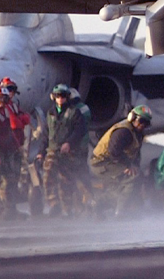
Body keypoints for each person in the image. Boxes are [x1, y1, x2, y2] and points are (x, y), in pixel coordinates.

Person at [90, 105, 151, 217]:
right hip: (101, 162)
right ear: (132, 117)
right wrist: (127, 165)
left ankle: (99, 204)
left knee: (134, 178)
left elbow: (136, 153)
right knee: (132, 178)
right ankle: (121, 212)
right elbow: (114, 151)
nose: (143, 125)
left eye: (146, 123)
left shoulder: (137, 133)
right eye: (141, 121)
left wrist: (135, 166)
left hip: (115, 162)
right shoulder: (123, 132)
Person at [39, 84, 89, 218]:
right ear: (53, 97)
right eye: (57, 96)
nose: (60, 99)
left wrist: (69, 143)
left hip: (69, 152)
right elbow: (45, 134)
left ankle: (67, 209)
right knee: (47, 176)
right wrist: (41, 152)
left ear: (67, 97)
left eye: (63, 96)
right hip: (52, 150)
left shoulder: (74, 112)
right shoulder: (50, 113)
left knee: (66, 180)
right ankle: (54, 204)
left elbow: (80, 130)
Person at [0, 77, 31, 219]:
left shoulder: (10, 107)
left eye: (12, 90)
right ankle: (7, 209)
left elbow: (21, 120)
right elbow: (14, 123)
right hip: (3, 149)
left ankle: (10, 208)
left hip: (11, 147)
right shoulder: (6, 108)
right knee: (6, 179)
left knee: (11, 178)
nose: (9, 94)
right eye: (7, 90)